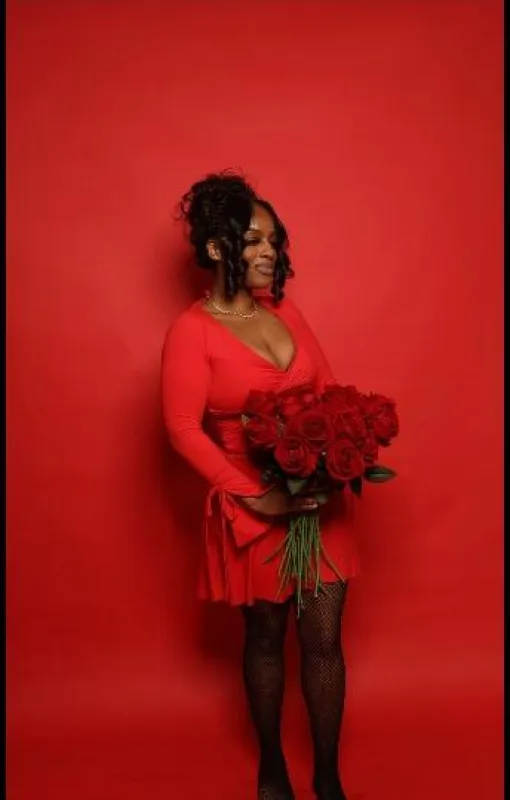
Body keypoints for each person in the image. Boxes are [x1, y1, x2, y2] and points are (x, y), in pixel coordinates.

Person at [161, 171, 360, 800]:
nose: (269, 251)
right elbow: (183, 429)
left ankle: (327, 777)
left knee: (324, 640)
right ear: (215, 246)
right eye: (253, 240)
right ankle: (272, 766)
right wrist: (258, 495)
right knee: (267, 636)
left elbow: (329, 392)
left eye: (274, 239)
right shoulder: (192, 330)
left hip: (317, 499)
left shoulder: (286, 311)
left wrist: (335, 461)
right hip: (253, 507)